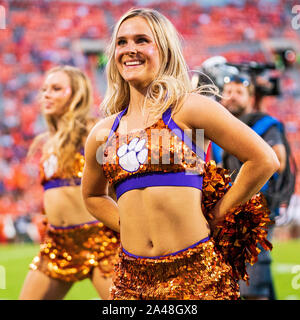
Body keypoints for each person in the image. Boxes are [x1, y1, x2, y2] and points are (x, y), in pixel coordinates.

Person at [82, 8, 279, 300]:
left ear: (164, 48)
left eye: (141, 40)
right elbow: (93, 196)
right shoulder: (103, 132)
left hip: (196, 275)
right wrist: (128, 223)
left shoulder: (189, 108)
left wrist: (218, 213)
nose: (129, 50)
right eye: (121, 42)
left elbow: (264, 159)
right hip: (130, 282)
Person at [19, 65, 120, 300]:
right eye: (44, 89)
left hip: (101, 241)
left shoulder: (93, 133)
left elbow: (117, 183)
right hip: (57, 245)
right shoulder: (47, 141)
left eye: (56, 89)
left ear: (77, 95)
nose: (46, 94)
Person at [220, 74, 287, 300]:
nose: (231, 97)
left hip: (255, 212)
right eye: (227, 92)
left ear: (250, 98)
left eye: (238, 92)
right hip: (229, 214)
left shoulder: (264, 125)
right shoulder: (218, 128)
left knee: (251, 286)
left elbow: (279, 160)